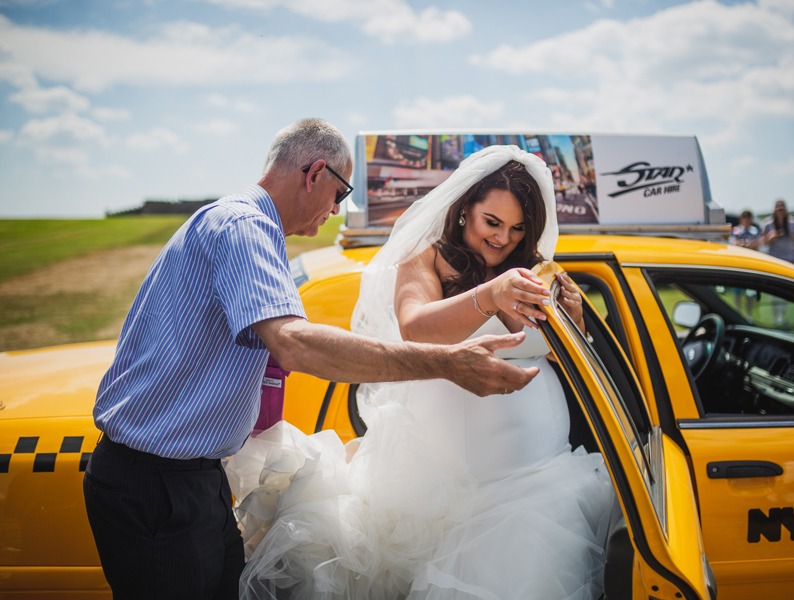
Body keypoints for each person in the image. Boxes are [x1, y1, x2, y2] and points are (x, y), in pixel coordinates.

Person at [82, 119, 539, 600]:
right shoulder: (244, 226)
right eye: (340, 194)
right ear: (314, 172)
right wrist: (447, 363)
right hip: (157, 485)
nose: (337, 211)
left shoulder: (251, 229)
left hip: (190, 478)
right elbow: (294, 343)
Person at [227, 145, 615, 599]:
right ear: (465, 210)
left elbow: (562, 357)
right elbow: (415, 328)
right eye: (493, 222)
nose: (502, 238)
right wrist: (488, 296)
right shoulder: (425, 259)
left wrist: (576, 321)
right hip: (454, 492)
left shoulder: (533, 271)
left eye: (517, 229)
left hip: (543, 480)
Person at [761, 198, 794, 325]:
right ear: (775, 210)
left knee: (786, 289)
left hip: (788, 259)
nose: (780, 211)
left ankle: (782, 315)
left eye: (783, 209)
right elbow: (763, 242)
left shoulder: (792, 223)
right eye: (778, 208)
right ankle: (776, 316)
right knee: (775, 290)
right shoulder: (767, 223)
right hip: (774, 260)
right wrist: (770, 236)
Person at [728, 210, 762, 318]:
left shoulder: (755, 231)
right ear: (741, 219)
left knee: (749, 292)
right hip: (738, 265)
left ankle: (749, 315)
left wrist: (744, 245)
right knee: (737, 292)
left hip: (751, 265)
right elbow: (733, 243)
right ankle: (737, 313)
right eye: (744, 217)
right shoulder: (736, 230)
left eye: (748, 217)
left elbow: (757, 244)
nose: (746, 220)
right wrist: (746, 245)